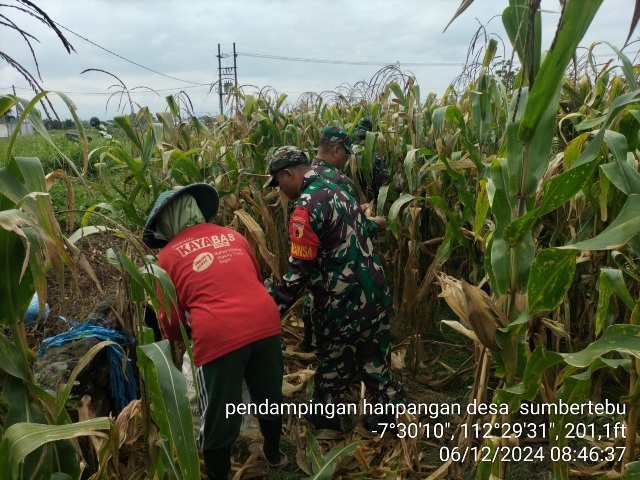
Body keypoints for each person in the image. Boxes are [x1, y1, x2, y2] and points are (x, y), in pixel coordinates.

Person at [142, 183, 287, 480]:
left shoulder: (166, 257)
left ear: (166, 223)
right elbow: (254, 279)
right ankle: (275, 455)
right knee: (268, 395)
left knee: (218, 415)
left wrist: (177, 336)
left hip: (219, 333)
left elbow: (169, 318)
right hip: (266, 320)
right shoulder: (233, 236)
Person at [265, 146, 406, 432]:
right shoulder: (337, 188)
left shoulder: (304, 206)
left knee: (331, 360)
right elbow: (362, 229)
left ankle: (326, 415)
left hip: (339, 301)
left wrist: (271, 307)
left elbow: (300, 270)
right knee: (373, 354)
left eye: (278, 182)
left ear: (288, 173)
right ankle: (389, 411)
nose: (279, 189)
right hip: (374, 290)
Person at [297, 126, 386, 353]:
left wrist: (354, 210)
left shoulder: (303, 177)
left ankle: (308, 340)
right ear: (336, 150)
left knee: (312, 291)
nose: (347, 159)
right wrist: (375, 223)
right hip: (335, 262)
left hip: (307, 248)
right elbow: (352, 230)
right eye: (346, 153)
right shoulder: (340, 181)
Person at [352, 117, 391, 203]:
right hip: (369, 205)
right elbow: (383, 186)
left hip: (349, 203)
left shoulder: (347, 152)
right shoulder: (376, 156)